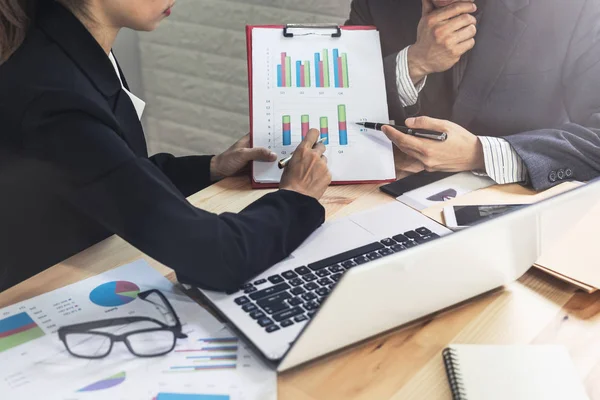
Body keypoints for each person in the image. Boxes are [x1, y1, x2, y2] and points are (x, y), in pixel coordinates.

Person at [0, 0, 332, 292]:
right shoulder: (55, 98)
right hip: (34, 307)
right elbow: (216, 258)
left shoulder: (70, 47)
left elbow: (116, 173)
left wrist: (213, 167)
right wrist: (296, 198)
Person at [347, 0, 600, 190]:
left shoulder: (576, 8)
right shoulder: (376, 3)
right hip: (385, 202)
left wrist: (479, 154)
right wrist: (413, 64)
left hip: (523, 208)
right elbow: (336, 105)